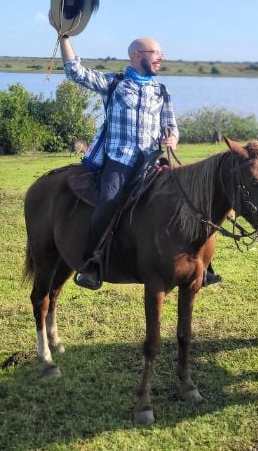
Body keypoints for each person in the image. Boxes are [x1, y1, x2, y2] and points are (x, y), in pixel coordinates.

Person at [53, 24, 190, 289]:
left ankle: (201, 265)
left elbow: (171, 125)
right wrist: (64, 37)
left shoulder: (162, 91)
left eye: (162, 53)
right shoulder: (113, 83)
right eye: (156, 53)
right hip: (119, 160)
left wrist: (172, 137)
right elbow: (75, 72)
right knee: (108, 202)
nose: (161, 58)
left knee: (185, 199)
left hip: (153, 161)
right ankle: (92, 265)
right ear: (138, 56)